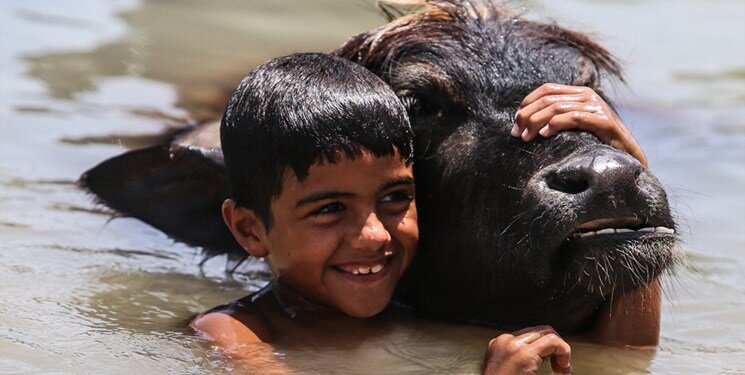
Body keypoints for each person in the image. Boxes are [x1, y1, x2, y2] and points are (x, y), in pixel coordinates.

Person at [192, 52, 648, 374]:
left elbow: (629, 353)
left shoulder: (411, 305)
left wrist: (635, 174)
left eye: (394, 198)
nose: (374, 236)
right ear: (250, 231)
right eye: (330, 209)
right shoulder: (236, 335)